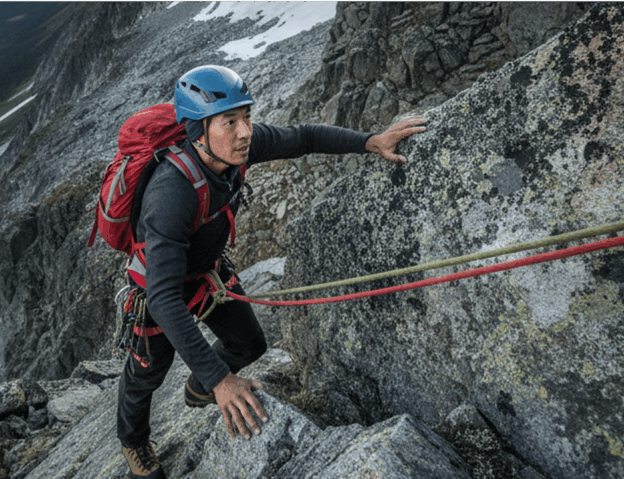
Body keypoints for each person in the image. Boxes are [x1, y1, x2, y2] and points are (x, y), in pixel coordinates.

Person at [117, 65, 426, 478]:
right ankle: (132, 440)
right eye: (231, 122)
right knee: (146, 374)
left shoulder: (233, 147)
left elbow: (303, 138)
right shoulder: (171, 192)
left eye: (246, 116)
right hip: (158, 290)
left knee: (250, 344)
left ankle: (197, 388)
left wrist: (371, 141)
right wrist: (222, 380)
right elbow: (163, 297)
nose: (245, 131)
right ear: (198, 132)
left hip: (205, 274)